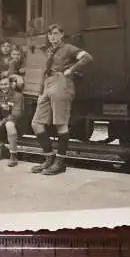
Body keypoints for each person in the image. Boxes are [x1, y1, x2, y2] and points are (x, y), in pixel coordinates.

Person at [30, 24, 93, 175]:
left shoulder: (69, 48)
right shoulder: (50, 50)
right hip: (47, 84)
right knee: (36, 123)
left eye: (55, 33)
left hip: (62, 84)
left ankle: (60, 163)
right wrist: (40, 90)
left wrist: (71, 70)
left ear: (61, 34)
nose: (52, 37)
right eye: (50, 34)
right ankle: (49, 159)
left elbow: (87, 58)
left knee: (60, 124)